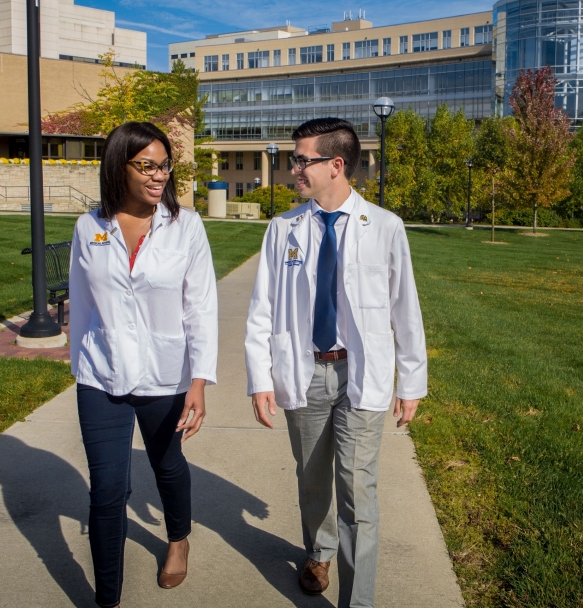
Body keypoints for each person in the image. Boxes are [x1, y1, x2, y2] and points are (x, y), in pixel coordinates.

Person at [244, 118, 428, 608]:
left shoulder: (385, 227)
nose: (293, 168)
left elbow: (404, 309)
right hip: (304, 371)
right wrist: (260, 379)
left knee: (357, 490)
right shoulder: (284, 228)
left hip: (359, 374)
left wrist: (411, 383)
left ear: (336, 165)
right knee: (311, 478)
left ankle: (357, 602)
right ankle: (318, 549)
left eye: (302, 159)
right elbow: (262, 308)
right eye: (294, 159)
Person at [69, 121, 217, 607]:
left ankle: (178, 539)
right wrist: (80, 366)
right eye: (147, 165)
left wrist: (199, 380)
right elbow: (83, 304)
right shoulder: (90, 227)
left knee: (166, 463)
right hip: (101, 374)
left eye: (164, 165)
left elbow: (200, 306)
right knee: (107, 490)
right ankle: (107, 598)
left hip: (166, 373)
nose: (159, 176)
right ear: (120, 166)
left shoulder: (186, 225)